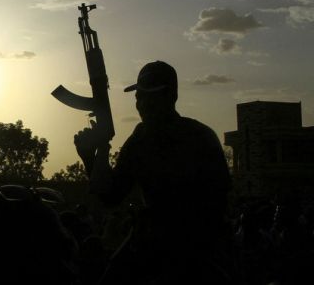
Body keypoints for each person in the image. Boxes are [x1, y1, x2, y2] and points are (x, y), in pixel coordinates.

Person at [74, 61, 232, 284]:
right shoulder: (144, 138)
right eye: (139, 97)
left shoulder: (196, 138)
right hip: (157, 243)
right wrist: (92, 156)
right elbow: (111, 195)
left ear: (170, 97)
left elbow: (218, 202)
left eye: (150, 97)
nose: (141, 104)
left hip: (188, 248)